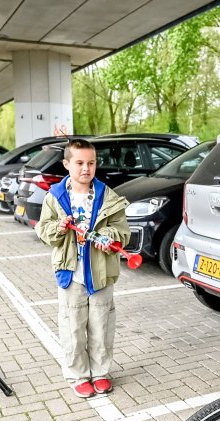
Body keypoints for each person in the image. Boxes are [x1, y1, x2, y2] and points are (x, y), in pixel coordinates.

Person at [37, 139, 130, 398]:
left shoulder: (108, 196)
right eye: (79, 163)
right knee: (73, 327)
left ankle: (100, 373)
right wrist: (58, 228)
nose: (86, 168)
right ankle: (77, 375)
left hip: (101, 274)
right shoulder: (55, 197)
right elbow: (43, 230)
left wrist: (108, 236)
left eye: (91, 163)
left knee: (101, 326)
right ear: (67, 164)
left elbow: (123, 232)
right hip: (70, 274)